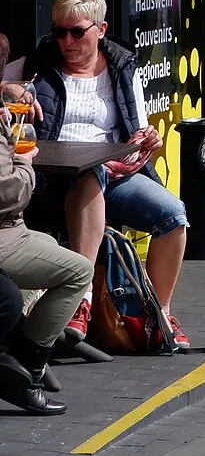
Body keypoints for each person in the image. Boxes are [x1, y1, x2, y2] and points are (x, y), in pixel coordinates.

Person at [24, 0, 189, 346]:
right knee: (92, 170)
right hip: (57, 179)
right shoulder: (39, 66)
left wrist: (148, 141)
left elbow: (138, 128)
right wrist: (10, 90)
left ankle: (157, 315)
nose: (67, 41)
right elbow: (7, 89)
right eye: (59, 32)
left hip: (116, 174)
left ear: (100, 29)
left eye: (77, 32)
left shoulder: (123, 69)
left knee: (173, 215)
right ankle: (80, 301)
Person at [0, 79, 90, 414]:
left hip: (11, 228)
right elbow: (8, 194)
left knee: (49, 243)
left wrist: (12, 100)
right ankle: (27, 368)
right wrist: (25, 160)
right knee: (79, 270)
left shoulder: (6, 112)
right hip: (4, 233)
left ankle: (15, 351)